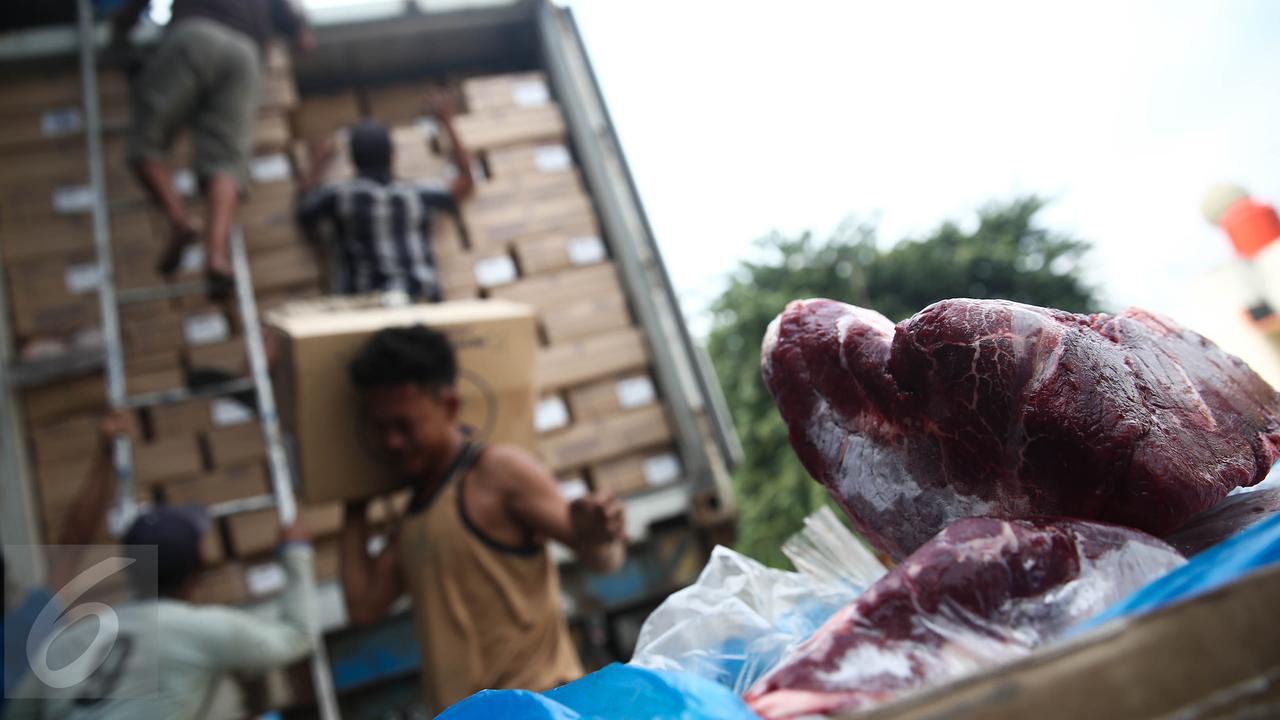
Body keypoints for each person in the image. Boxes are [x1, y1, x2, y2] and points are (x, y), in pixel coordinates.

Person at [340, 325, 627, 712]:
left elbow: (602, 560)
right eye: (380, 428)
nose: (392, 442)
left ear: (450, 407)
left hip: (538, 706)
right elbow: (363, 607)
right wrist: (351, 504)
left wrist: (598, 536)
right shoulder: (413, 518)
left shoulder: (498, 472)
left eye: (404, 425)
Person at [3, 437, 318, 719]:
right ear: (196, 571)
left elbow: (17, 712)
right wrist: (296, 551)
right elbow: (297, 637)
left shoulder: (71, 639)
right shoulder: (199, 630)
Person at [111, 0, 315, 300]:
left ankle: (180, 221)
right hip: (245, 54)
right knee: (226, 162)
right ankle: (216, 256)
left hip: (196, 35)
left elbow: (132, 12)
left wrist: (121, 30)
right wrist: (300, 33)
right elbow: (300, 32)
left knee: (146, 144)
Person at [2, 412, 129, 715]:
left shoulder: (25, 627)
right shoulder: (24, 630)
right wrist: (105, 455)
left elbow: (74, 540)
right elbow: (74, 542)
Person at [296, 90, 475, 301]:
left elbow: (304, 208)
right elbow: (466, 181)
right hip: (421, 302)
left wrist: (319, 160)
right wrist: (447, 122)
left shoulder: (341, 197)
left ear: (353, 160)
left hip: (366, 308)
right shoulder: (416, 194)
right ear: (393, 156)